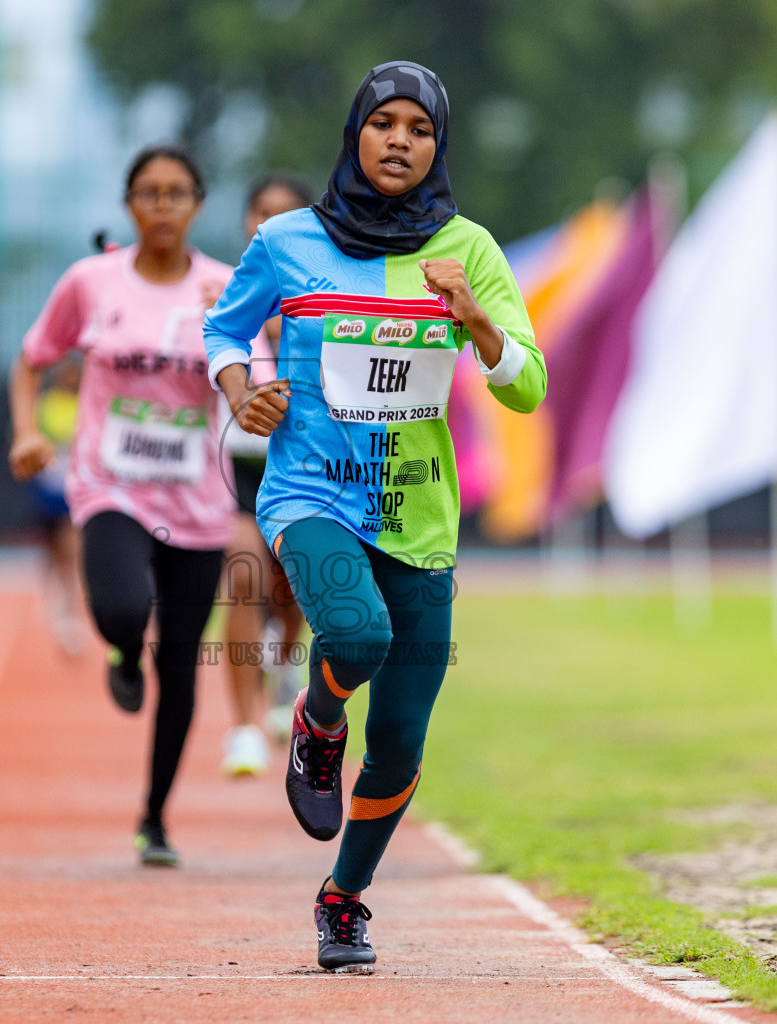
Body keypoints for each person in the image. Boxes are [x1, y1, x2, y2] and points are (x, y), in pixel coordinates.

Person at [203, 62, 547, 971]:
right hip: (310, 493)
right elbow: (223, 331)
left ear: (439, 146)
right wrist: (241, 393)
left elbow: (529, 385)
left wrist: (476, 321)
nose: (400, 139)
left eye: (420, 129)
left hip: (419, 517)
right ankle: (317, 724)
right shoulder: (286, 240)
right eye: (383, 122)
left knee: (398, 743)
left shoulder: (467, 249)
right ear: (355, 132)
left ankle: (344, 899)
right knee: (355, 636)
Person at [9, 144, 236, 868]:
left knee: (180, 667)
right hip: (110, 483)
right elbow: (32, 356)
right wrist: (23, 431)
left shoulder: (227, 288)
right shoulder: (91, 281)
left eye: (176, 193)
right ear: (129, 205)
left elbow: (258, 376)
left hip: (198, 500)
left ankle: (155, 816)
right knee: (121, 609)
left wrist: (247, 363)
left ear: (197, 203)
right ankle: (116, 646)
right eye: (148, 193)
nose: (162, 206)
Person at [219, 175, 312, 778]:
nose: (268, 224)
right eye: (260, 212)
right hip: (238, 468)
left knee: (297, 590)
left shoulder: (321, 291)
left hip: (306, 469)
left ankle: (285, 661)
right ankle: (245, 726)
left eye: (283, 215)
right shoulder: (224, 290)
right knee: (244, 573)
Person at [26, 353, 88, 656]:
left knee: (72, 550)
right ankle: (52, 597)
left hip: (73, 491)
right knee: (52, 551)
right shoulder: (48, 404)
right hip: (48, 489)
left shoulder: (87, 405)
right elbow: (38, 434)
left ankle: (70, 613)